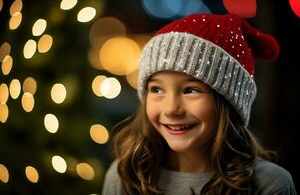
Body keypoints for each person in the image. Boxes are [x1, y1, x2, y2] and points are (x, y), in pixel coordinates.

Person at [101, 13, 297, 195]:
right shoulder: (125, 176)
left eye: (190, 90)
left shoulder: (270, 185)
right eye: (157, 89)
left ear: (228, 103)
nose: (171, 109)